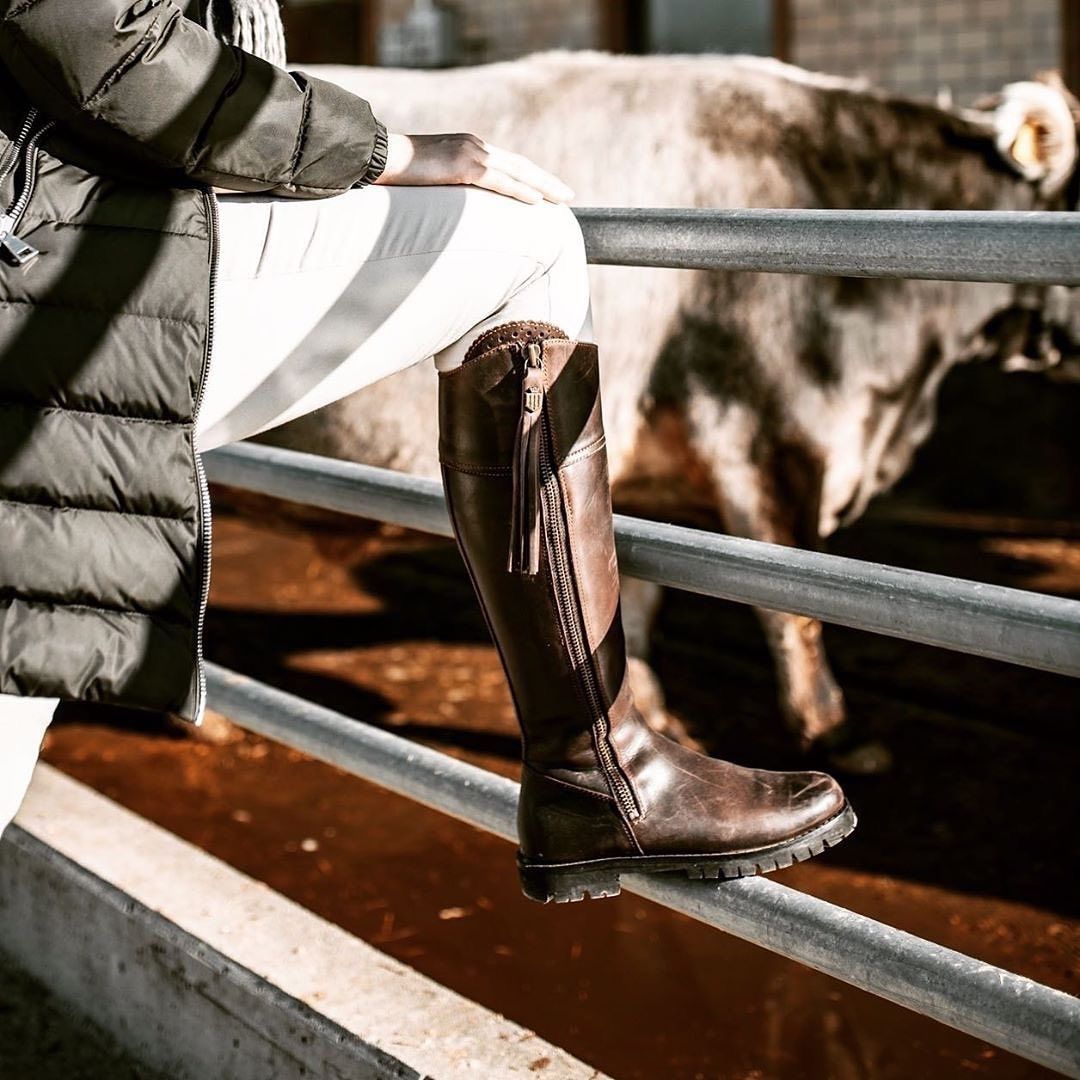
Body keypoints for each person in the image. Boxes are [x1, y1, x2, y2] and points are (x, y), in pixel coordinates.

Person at [0, 0, 854, 903]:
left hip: (43, 235)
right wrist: (382, 152)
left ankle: (598, 772)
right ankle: (599, 769)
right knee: (528, 245)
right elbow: (97, 33)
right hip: (37, 254)